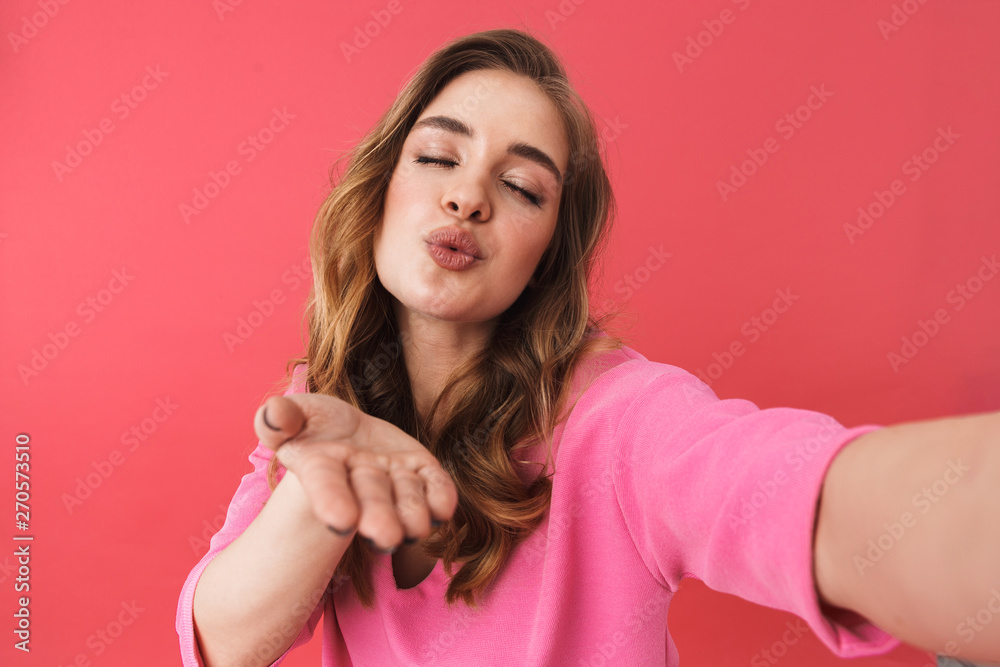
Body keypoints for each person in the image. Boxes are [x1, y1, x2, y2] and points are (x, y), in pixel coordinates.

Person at [176, 28, 1000, 666]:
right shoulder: (322, 411)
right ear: (380, 188)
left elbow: (798, 493)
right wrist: (324, 499)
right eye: (437, 156)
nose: (467, 196)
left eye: (522, 185)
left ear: (547, 256)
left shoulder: (621, 420)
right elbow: (220, 642)